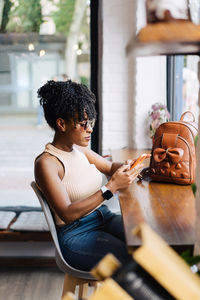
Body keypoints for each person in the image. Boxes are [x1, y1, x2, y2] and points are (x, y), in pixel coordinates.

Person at [35, 80, 143, 271]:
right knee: (134, 259)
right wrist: (110, 188)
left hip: (103, 217)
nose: (90, 129)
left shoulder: (79, 150)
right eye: (83, 124)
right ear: (61, 124)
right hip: (76, 235)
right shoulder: (47, 163)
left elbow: (110, 167)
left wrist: (130, 165)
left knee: (148, 243)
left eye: (90, 122)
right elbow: (67, 213)